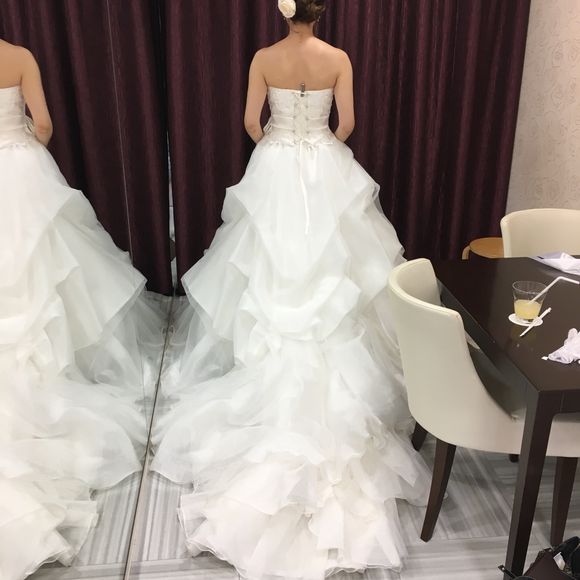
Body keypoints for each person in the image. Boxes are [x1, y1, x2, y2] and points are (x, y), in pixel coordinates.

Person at [151, 1, 430, 578]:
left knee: (268, 264)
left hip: (275, 164)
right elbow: (346, 125)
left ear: (284, 12)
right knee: (337, 265)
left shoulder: (263, 56)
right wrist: (318, 143)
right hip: (325, 164)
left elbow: (250, 123)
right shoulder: (338, 57)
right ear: (320, 11)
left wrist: (278, 141)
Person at [0, 39, 163, 578]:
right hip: (21, 170)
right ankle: (63, 365)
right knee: (49, 273)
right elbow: (44, 124)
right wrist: (21, 144)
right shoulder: (19, 56)